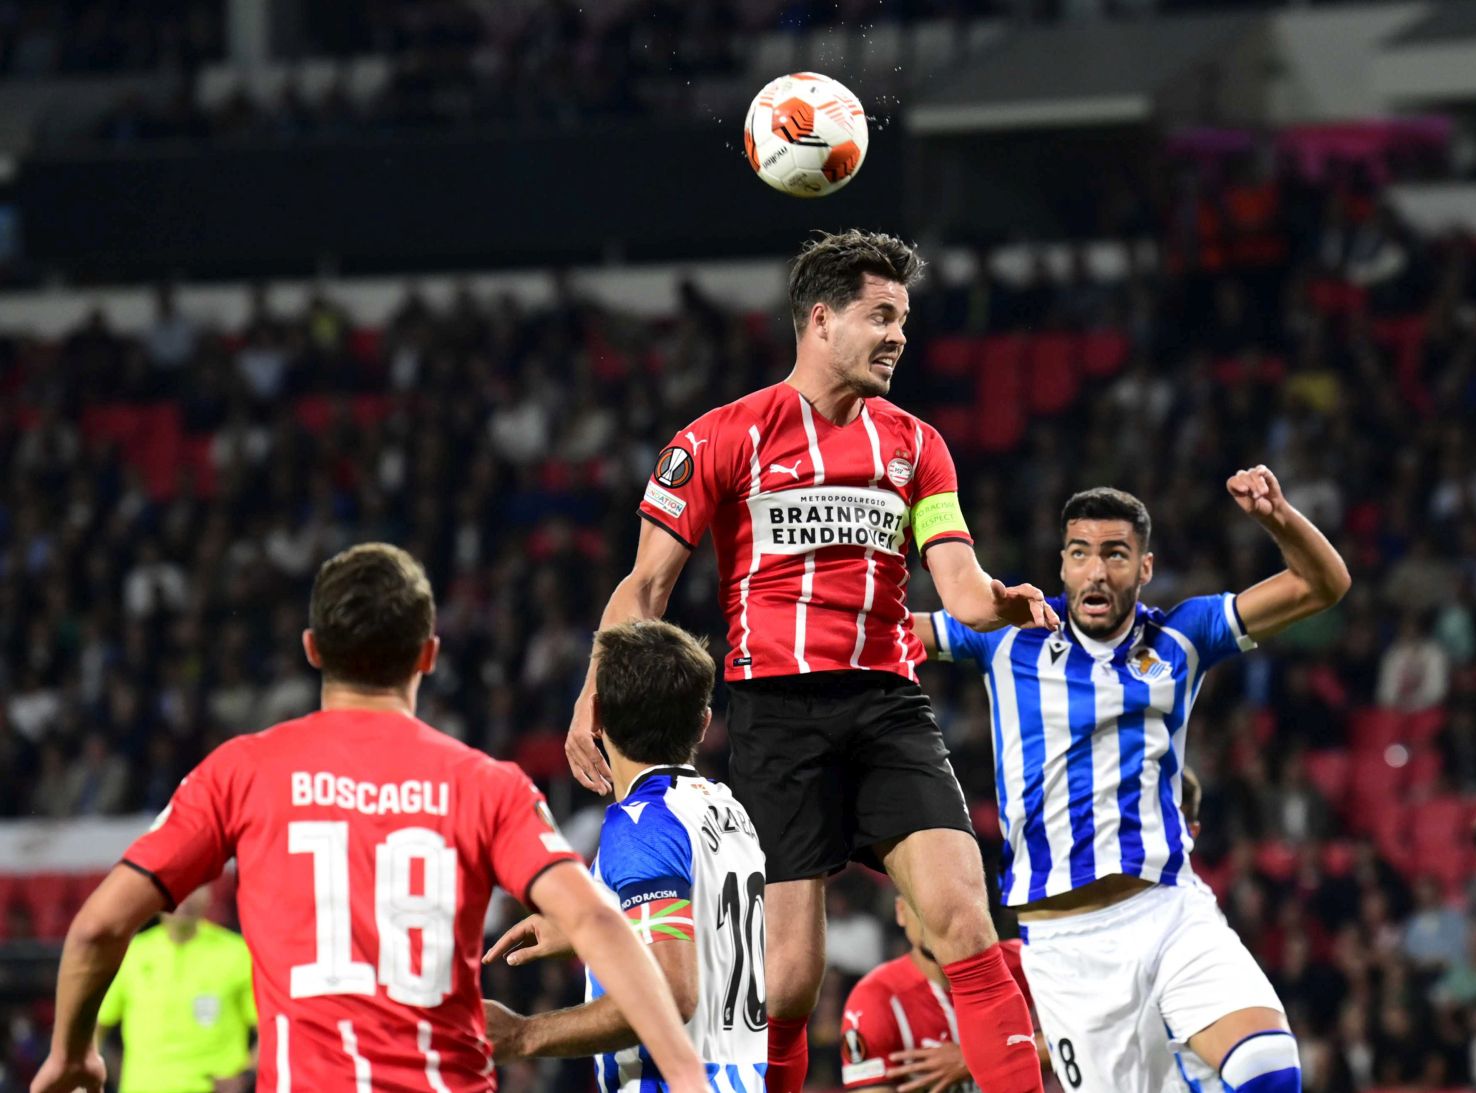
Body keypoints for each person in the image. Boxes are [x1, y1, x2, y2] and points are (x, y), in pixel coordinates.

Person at [565, 229, 1055, 1093]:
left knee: (967, 922)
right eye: (882, 315)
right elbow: (644, 590)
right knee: (787, 982)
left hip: (888, 705)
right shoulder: (724, 437)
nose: (900, 335)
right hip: (775, 714)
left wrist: (998, 602)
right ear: (821, 319)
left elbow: (961, 583)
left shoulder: (916, 445)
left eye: (904, 318)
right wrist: (592, 695)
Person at [31, 543, 711, 1093]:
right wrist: (683, 1070)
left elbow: (96, 927)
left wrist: (72, 1053)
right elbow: (595, 920)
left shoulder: (241, 771)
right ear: (429, 655)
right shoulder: (487, 784)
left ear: (311, 648)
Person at [915, 473, 1350, 1093]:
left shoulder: (1181, 637)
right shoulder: (1006, 633)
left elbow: (1323, 585)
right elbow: (886, 634)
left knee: (1267, 1068)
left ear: (1144, 569)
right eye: (1080, 554)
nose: (1096, 572)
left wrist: (1278, 515)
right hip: (1067, 946)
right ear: (1061, 566)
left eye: (1115, 554)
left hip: (1169, 909)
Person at [482, 619, 768, 1091]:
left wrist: (522, 1035)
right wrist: (593, 926)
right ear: (703, 722)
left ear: (594, 716)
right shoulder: (726, 808)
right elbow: (708, 928)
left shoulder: (639, 824)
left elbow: (671, 996)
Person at [838, 897, 1049, 1093]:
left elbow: (1078, 1034)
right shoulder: (875, 998)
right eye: (922, 907)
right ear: (901, 911)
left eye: (948, 903)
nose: (935, 919)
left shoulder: (1028, 965)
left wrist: (975, 1061)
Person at [96, 884, 255, 1093]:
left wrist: (245, 1077)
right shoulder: (131, 953)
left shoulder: (237, 953)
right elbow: (93, 1026)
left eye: (195, 888)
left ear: (209, 895)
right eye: (177, 889)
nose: (185, 899)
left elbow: (272, 1032)